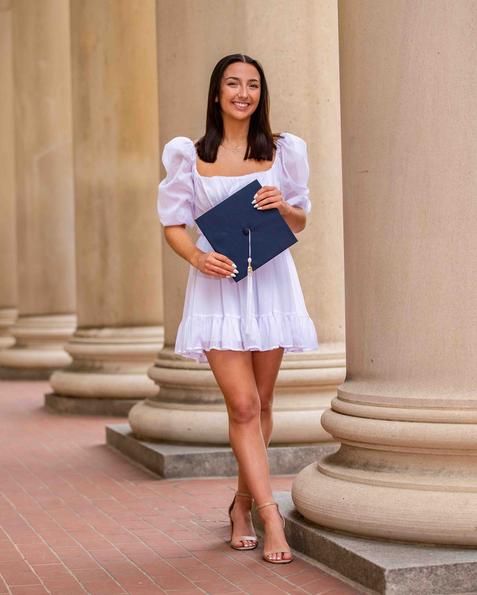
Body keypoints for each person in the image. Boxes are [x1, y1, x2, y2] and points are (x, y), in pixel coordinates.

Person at [157, 53, 319, 564]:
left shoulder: (282, 150)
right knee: (243, 406)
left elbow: (300, 221)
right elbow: (172, 224)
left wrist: (283, 206)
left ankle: (242, 505)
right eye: (233, 83)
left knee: (265, 403)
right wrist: (198, 257)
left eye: (252, 85)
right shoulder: (189, 154)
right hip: (219, 286)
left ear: (260, 94)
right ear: (216, 93)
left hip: (269, 283)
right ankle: (272, 515)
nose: (243, 93)